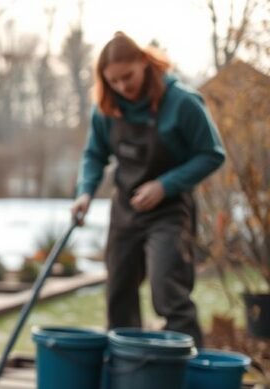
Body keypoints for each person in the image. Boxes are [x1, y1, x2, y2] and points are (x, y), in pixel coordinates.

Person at [71, 32, 225, 347]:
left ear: (144, 62)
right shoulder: (106, 108)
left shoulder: (182, 102)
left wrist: (164, 185)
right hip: (126, 211)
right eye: (113, 81)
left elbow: (212, 153)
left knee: (168, 292)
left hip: (169, 212)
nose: (122, 87)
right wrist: (84, 192)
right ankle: (128, 376)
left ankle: (185, 377)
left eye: (127, 76)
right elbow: (94, 154)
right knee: (119, 294)